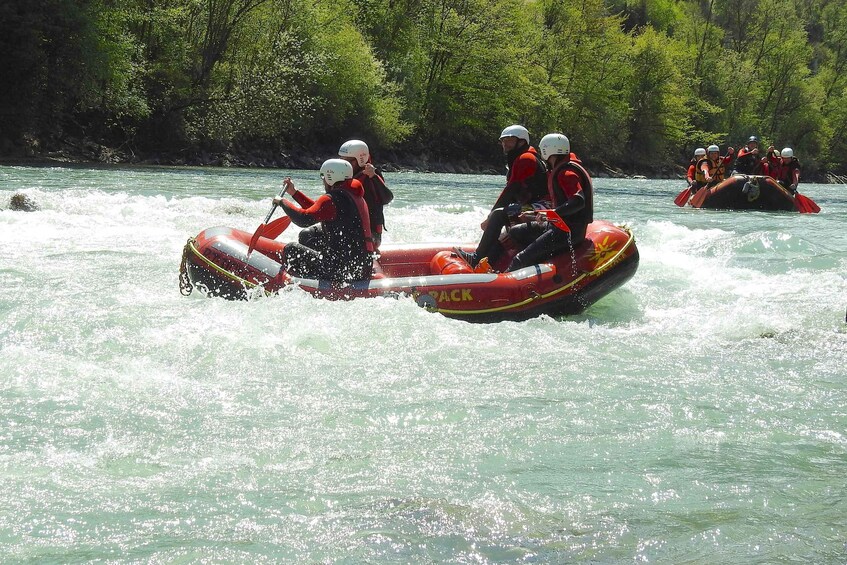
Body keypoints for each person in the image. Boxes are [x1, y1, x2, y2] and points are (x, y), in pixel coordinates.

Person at [455, 125, 547, 267]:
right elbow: (512, 192)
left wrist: (491, 216)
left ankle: (477, 257)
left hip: (543, 206)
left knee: (499, 215)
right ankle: (489, 261)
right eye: (503, 140)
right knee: (504, 216)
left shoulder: (526, 159)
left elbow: (510, 190)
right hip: (531, 204)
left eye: (510, 140)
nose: (505, 144)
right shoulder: (519, 158)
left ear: (522, 141)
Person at [501, 133, 593, 272]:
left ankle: (509, 276)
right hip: (559, 227)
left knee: (520, 259)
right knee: (516, 232)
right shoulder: (564, 168)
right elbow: (565, 206)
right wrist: (538, 213)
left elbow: (578, 201)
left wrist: (551, 214)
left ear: (547, 150)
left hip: (568, 233)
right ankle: (538, 259)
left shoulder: (566, 173)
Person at [276, 159, 374, 282]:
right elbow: (317, 210)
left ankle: (305, 282)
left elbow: (303, 219)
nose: (323, 181)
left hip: (342, 270)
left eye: (323, 177)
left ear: (330, 177)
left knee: (291, 249)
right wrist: (294, 193)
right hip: (360, 267)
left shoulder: (332, 199)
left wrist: (282, 202)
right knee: (308, 235)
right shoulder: (355, 195)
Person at [337, 139, 394, 250]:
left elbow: (387, 198)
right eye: (342, 160)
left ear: (360, 159)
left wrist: (373, 176)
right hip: (348, 229)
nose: (344, 165)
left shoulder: (371, 175)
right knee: (307, 234)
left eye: (348, 161)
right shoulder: (344, 176)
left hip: (370, 235)